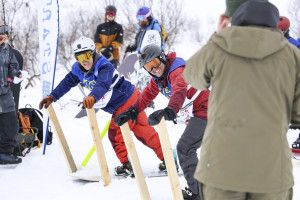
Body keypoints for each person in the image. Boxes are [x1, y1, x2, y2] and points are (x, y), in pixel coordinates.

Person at [183, 0, 298, 199]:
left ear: (233, 18)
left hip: (220, 171)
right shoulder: (293, 56)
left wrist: (217, 36)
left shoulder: (218, 47)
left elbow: (191, 75)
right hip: (271, 173)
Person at [39, 36, 165, 176]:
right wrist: (53, 96)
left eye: (86, 55)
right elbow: (67, 82)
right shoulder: (78, 69)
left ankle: (128, 165)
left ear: (93, 53)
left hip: (127, 99)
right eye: (79, 58)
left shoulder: (104, 65)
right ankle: (169, 158)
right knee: (145, 133)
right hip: (129, 99)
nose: (84, 61)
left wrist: (92, 96)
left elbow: (103, 85)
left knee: (115, 133)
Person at [115, 44, 210, 200]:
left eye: (155, 63)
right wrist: (132, 111)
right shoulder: (159, 78)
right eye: (149, 67)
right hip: (198, 113)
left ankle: (198, 193)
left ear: (163, 57)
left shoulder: (176, 71)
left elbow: (180, 89)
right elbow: (147, 94)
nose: (154, 69)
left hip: (207, 109)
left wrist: (170, 110)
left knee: (185, 148)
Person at [0, 21, 23, 165]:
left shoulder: (6, 49)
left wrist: (16, 72)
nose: (2, 41)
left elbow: (12, 64)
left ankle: (4, 153)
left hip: (4, 91)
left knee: (10, 122)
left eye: (4, 38)